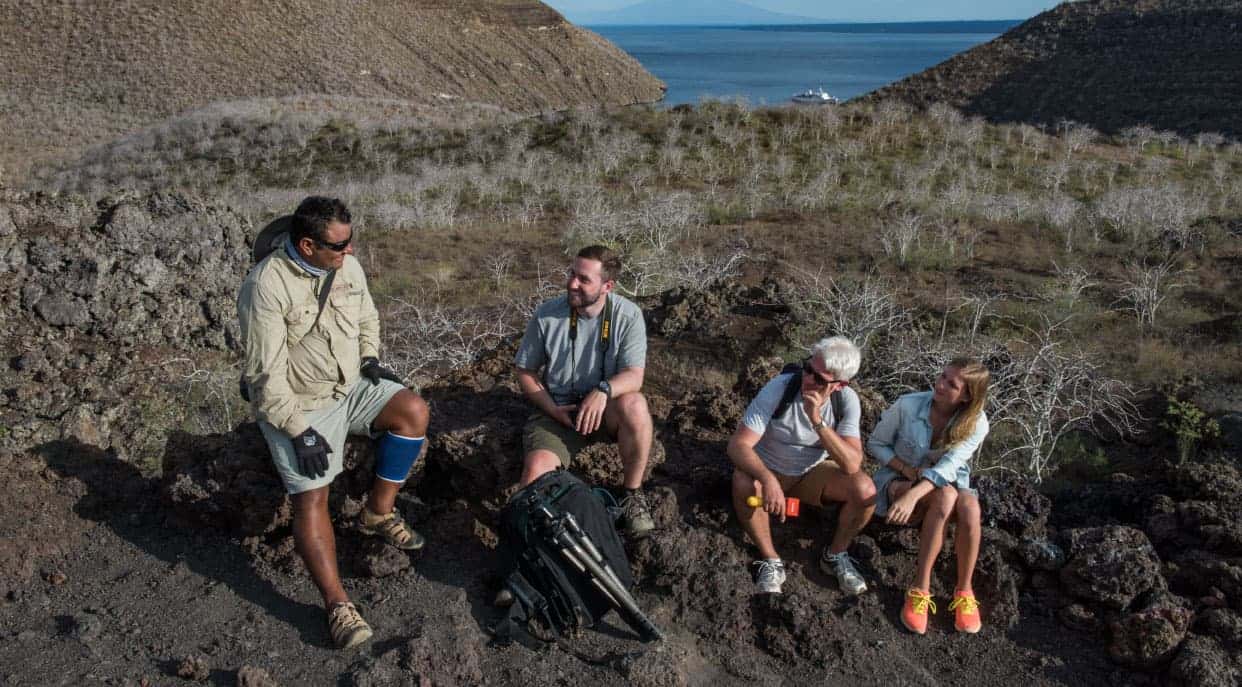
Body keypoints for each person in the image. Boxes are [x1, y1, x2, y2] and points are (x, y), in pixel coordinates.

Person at [237, 196, 430, 650]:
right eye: (339, 246)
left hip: (352, 383)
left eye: (350, 241)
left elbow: (367, 316)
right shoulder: (265, 286)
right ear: (307, 245)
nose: (349, 253)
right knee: (311, 497)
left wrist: (371, 357)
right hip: (300, 402)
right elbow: (264, 377)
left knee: (413, 411)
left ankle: (378, 512)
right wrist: (297, 429)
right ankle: (337, 605)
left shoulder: (347, 266)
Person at [513, 245, 655, 537]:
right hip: (559, 412)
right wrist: (551, 408)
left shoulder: (628, 317)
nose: (572, 283)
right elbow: (525, 372)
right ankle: (535, 549)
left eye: (583, 279)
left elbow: (634, 376)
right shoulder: (548, 315)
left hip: (606, 411)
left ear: (607, 286)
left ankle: (632, 495)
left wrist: (603, 391)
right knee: (534, 477)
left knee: (635, 405)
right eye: (571, 274)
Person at [727, 336, 875, 596]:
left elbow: (852, 463)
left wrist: (816, 419)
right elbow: (738, 446)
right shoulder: (780, 388)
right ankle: (771, 559)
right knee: (744, 482)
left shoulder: (847, 401)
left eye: (819, 378)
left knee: (865, 490)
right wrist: (768, 480)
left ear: (839, 385)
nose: (808, 379)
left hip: (810, 476)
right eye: (808, 368)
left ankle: (835, 555)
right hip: (770, 472)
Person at [867, 358, 990, 635]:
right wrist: (906, 470)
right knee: (944, 498)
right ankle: (920, 588)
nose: (940, 384)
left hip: (945, 483)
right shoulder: (908, 405)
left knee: (970, 507)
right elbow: (876, 443)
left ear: (968, 395)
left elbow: (949, 468)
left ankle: (965, 591)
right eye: (942, 376)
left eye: (952, 383)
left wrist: (916, 494)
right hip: (900, 479)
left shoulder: (977, 422)